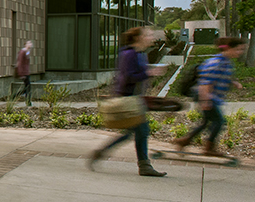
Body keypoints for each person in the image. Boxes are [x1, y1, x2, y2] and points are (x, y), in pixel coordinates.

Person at [88, 27, 166, 177]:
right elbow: (128, 77)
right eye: (148, 35)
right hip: (128, 99)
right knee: (141, 131)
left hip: (135, 100)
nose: (151, 37)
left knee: (135, 132)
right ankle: (144, 166)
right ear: (139, 38)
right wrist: (149, 73)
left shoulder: (140, 54)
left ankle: (102, 152)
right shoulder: (129, 54)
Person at [173, 37, 247, 156]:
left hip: (211, 97)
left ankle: (184, 141)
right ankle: (208, 147)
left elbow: (221, 77)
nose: (240, 52)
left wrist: (233, 83)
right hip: (206, 96)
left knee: (206, 122)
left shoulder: (226, 62)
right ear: (229, 48)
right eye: (238, 49)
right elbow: (205, 83)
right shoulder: (216, 62)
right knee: (219, 121)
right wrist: (205, 100)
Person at [14, 41, 33, 106]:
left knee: (27, 88)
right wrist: (21, 74)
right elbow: (20, 63)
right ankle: (28, 102)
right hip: (24, 73)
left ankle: (15, 96)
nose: (31, 44)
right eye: (29, 43)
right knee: (28, 87)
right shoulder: (22, 52)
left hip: (26, 72)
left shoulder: (27, 52)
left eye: (31, 43)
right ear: (25, 44)